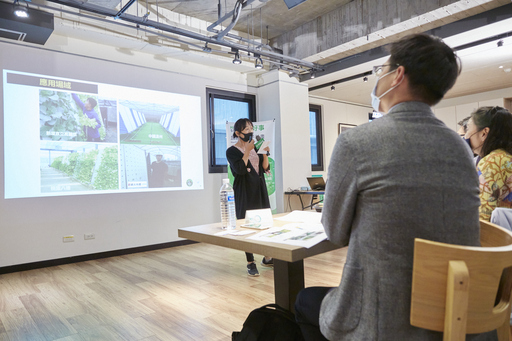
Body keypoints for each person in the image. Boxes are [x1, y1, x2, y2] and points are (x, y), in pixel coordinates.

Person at [294, 33, 497, 340]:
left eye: (383, 69)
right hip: (456, 313)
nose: (379, 78)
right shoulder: (461, 150)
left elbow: (335, 232)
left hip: (385, 319)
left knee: (303, 301)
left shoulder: (356, 143)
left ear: (397, 75)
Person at [226, 118, 273, 276]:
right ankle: (250, 262)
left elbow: (265, 167)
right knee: (246, 224)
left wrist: (265, 152)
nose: (250, 132)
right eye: (246, 129)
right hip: (244, 190)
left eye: (251, 128)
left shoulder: (256, 147)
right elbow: (239, 170)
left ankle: (267, 257)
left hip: (259, 188)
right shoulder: (231, 151)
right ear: (238, 133)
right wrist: (247, 151)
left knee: (264, 221)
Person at [464, 106, 512, 221]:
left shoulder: (493, 161)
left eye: (468, 128)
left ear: (484, 133)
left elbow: (482, 216)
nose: (465, 135)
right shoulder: (505, 157)